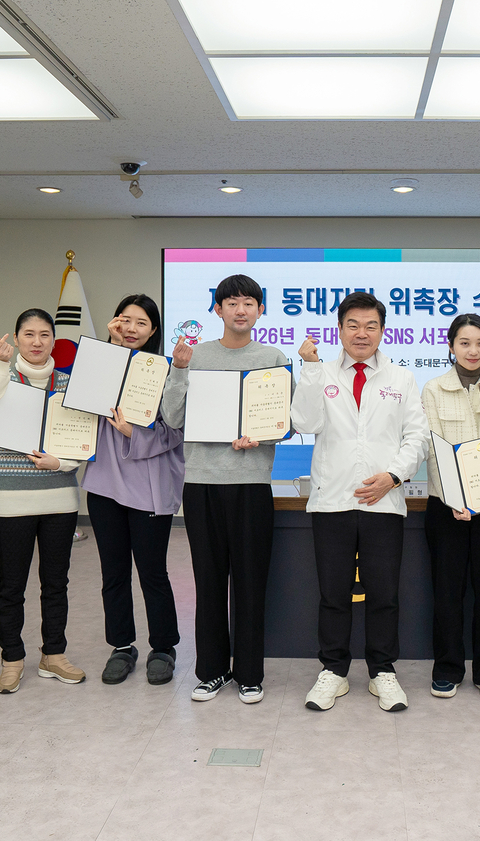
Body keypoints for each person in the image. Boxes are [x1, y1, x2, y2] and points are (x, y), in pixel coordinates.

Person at [292, 291, 429, 712]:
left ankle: (382, 672)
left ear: (383, 331)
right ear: (340, 329)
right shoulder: (321, 373)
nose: (362, 333)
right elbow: (304, 422)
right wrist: (310, 369)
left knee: (383, 594)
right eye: (353, 325)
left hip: (382, 503)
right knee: (332, 594)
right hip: (331, 501)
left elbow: (417, 437)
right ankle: (333, 672)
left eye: (371, 326)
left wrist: (393, 476)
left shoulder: (401, 378)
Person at [161, 274, 290, 704]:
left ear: (260, 310)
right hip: (202, 483)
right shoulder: (194, 356)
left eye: (249, 302)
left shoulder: (272, 357)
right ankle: (212, 671)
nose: (240, 309)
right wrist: (179, 369)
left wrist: (262, 436)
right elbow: (173, 418)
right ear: (217, 309)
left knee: (251, 584)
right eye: (231, 302)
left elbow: (286, 424)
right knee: (209, 581)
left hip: (251, 483)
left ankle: (250, 674)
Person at [0, 308, 85, 694]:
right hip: (11, 501)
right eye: (29, 334)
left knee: (56, 583)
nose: (37, 342)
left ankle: (54, 655)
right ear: (16, 338)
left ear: (54, 339)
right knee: (11, 586)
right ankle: (12, 659)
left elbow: (83, 439)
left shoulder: (69, 384)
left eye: (44, 334)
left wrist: (61, 463)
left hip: (59, 499)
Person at [81, 294, 184, 686]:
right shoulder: (100, 363)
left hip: (149, 486)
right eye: (124, 320)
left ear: (153, 330)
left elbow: (176, 431)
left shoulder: (166, 372)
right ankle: (122, 646)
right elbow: (83, 400)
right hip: (105, 484)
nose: (131, 329)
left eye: (141, 322)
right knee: (113, 573)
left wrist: (133, 432)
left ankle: (163, 647)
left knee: (152, 573)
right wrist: (109, 347)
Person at [420, 314, 480, 702]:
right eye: (464, 343)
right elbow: (433, 449)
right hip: (447, 506)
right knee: (447, 591)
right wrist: (456, 499)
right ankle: (447, 668)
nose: (473, 350)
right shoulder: (434, 388)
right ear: (451, 347)